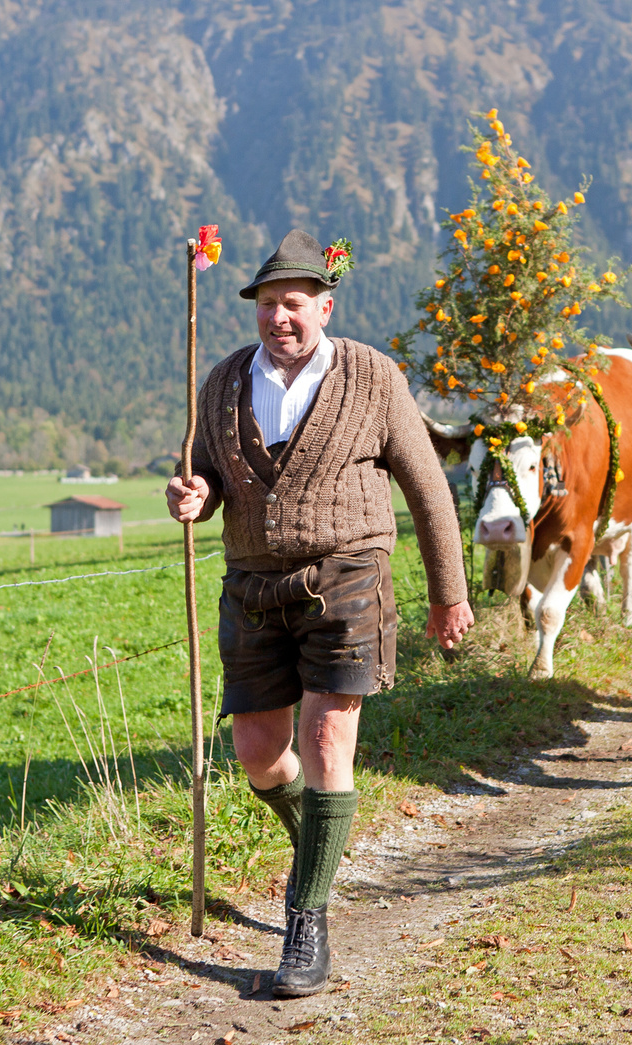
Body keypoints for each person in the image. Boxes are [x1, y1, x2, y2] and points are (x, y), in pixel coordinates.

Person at [166, 229, 474, 998]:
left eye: (294, 305)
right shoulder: (224, 381)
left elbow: (428, 489)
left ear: (324, 307)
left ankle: (306, 918)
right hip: (252, 588)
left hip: (347, 577)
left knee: (327, 735)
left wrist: (449, 594)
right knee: (259, 754)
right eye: (268, 305)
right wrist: (193, 497)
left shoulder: (372, 376)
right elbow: (204, 476)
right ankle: (321, 842)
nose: (280, 319)